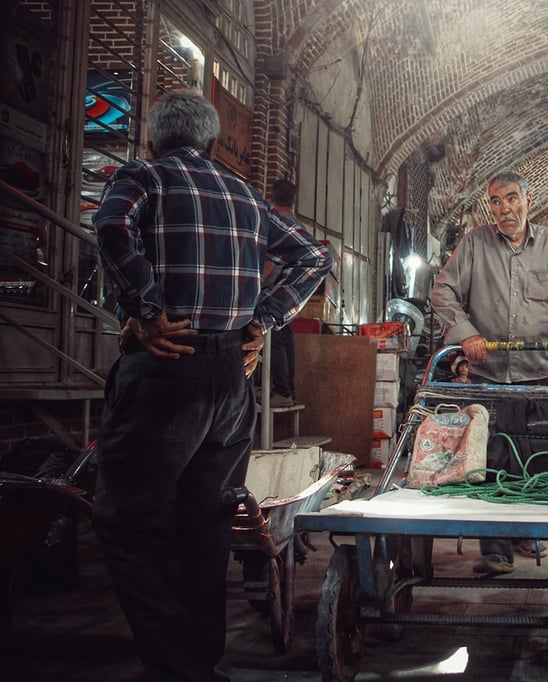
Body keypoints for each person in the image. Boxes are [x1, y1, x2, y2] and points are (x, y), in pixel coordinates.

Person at [91, 89, 331, 682]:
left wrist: (145, 308)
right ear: (206, 140)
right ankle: (201, 660)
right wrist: (263, 320)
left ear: (153, 137)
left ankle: (179, 670)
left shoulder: (142, 176)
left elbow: (110, 223)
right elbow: (314, 257)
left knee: (128, 523)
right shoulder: (245, 194)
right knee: (205, 522)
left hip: (167, 368)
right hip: (230, 378)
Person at [430, 170, 548, 575]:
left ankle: (530, 531)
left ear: (529, 200)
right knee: (490, 457)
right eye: (495, 201)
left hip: (542, 373)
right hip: (488, 371)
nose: (504, 208)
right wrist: (466, 334)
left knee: (541, 457)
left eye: (511, 199)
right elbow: (443, 291)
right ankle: (495, 549)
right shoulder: (474, 244)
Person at [262, 178, 300, 408]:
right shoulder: (297, 225)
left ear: (272, 196)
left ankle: (282, 390)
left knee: (275, 340)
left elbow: (271, 258)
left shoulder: (276, 223)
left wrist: (257, 282)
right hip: (292, 292)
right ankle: (288, 390)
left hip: (275, 290)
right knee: (286, 340)